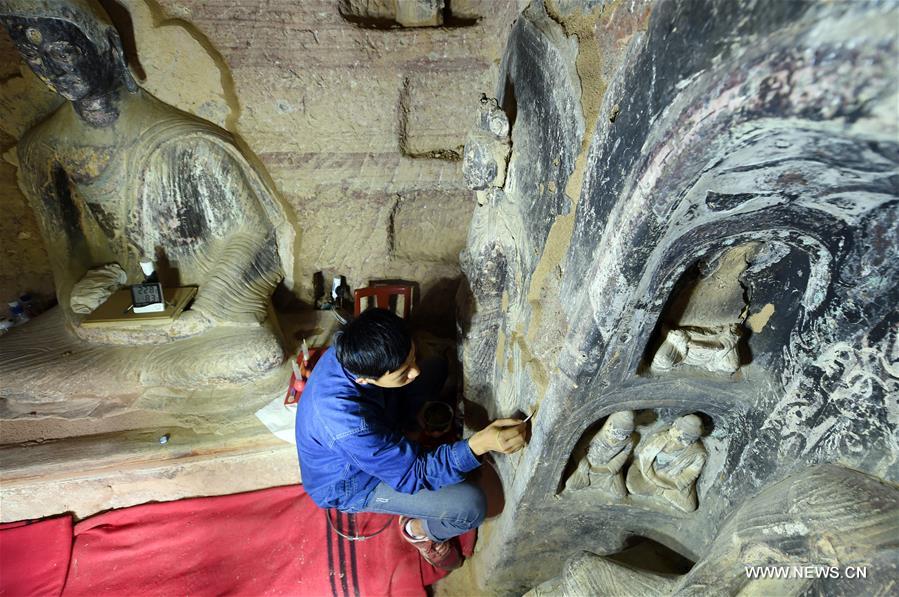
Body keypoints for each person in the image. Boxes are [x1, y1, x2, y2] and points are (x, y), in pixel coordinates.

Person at [295, 308, 527, 570]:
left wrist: (412, 413)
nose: (413, 371)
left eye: (411, 358)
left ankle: (407, 426)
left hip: (373, 428)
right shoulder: (347, 425)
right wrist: (479, 445)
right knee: (471, 506)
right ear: (364, 378)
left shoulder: (350, 345)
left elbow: (404, 377)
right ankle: (418, 530)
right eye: (402, 373)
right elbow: (413, 474)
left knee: (435, 367)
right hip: (352, 483)